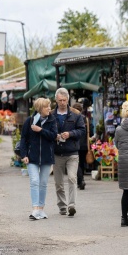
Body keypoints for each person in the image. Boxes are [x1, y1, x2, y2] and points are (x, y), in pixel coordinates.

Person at [19, 98, 57, 220]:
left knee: (43, 183)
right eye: (47, 107)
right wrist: (24, 155)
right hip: (32, 157)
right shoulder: (30, 121)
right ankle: (35, 209)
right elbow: (23, 139)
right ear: (40, 108)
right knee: (34, 181)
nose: (49, 109)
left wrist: (41, 130)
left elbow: (53, 136)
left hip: (46, 157)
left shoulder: (52, 120)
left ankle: (41, 209)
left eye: (50, 106)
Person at [52, 88, 86, 217]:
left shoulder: (76, 114)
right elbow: (47, 131)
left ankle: (71, 205)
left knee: (72, 178)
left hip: (72, 152)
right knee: (59, 183)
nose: (62, 103)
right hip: (57, 153)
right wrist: (53, 136)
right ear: (56, 100)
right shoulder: (51, 115)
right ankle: (62, 206)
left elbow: (82, 131)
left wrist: (70, 134)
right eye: (60, 100)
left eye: (64, 100)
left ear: (67, 100)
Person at [72, 102, 90, 190]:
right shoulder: (85, 118)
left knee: (76, 163)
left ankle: (80, 180)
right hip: (84, 144)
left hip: (75, 143)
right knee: (81, 163)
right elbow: (89, 131)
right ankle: (81, 179)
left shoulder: (73, 118)